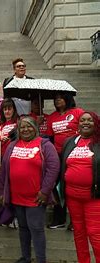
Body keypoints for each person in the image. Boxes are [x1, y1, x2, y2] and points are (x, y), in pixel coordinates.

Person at [0, 116, 59, 263]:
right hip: (16, 196)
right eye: (22, 127)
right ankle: (25, 258)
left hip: (36, 198)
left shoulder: (44, 145)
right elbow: (4, 171)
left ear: (35, 128)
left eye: (29, 126)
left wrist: (45, 191)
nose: (25, 129)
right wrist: (2, 192)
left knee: (36, 229)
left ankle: (41, 261)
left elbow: (53, 168)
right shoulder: (12, 145)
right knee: (23, 228)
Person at [60, 111, 100, 263]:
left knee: (95, 234)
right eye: (82, 120)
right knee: (79, 233)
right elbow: (63, 165)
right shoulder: (70, 142)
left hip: (94, 197)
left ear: (96, 123)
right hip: (72, 197)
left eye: (90, 120)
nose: (85, 123)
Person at [46, 93, 83, 229]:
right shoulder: (52, 117)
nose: (58, 100)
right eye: (55, 98)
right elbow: (49, 138)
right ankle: (59, 219)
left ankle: (75, 221)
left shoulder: (77, 112)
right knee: (57, 188)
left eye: (61, 97)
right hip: (57, 157)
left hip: (75, 154)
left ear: (68, 99)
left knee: (73, 187)